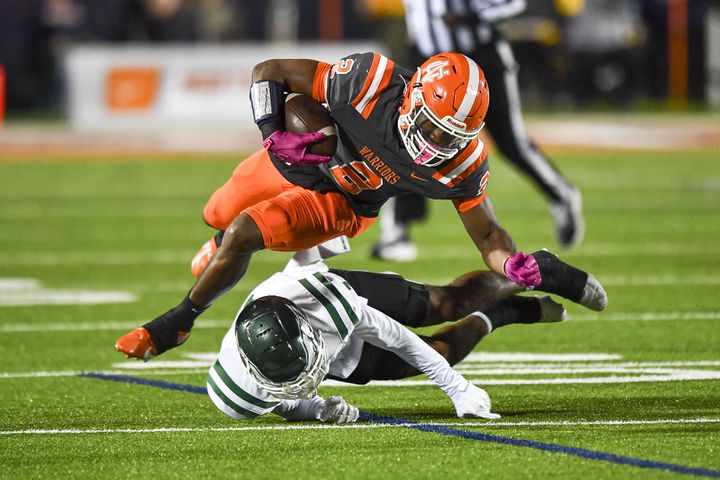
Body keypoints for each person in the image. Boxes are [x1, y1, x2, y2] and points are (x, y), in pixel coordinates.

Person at [115, 49, 604, 362]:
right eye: (434, 126)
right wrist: (274, 133)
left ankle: (180, 320)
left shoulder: (460, 163)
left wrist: (508, 261)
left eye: (451, 136)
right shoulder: (371, 84)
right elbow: (270, 71)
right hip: (300, 161)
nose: (436, 142)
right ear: (413, 98)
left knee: (245, 231)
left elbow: (488, 236)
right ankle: (219, 241)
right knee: (219, 215)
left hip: (342, 202)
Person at [204, 245, 601, 423]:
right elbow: (282, 403)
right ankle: (507, 312)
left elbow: (397, 337)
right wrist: (315, 408)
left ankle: (538, 269)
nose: (311, 378)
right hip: (317, 336)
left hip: (334, 295)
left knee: (448, 305)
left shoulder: (331, 305)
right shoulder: (233, 392)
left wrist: (456, 388)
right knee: (441, 349)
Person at [371, 0, 584, 262]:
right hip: (429, 60)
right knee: (408, 139)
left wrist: (471, 16)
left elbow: (514, 3)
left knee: (510, 141)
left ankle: (561, 193)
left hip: (478, 59)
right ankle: (397, 230)